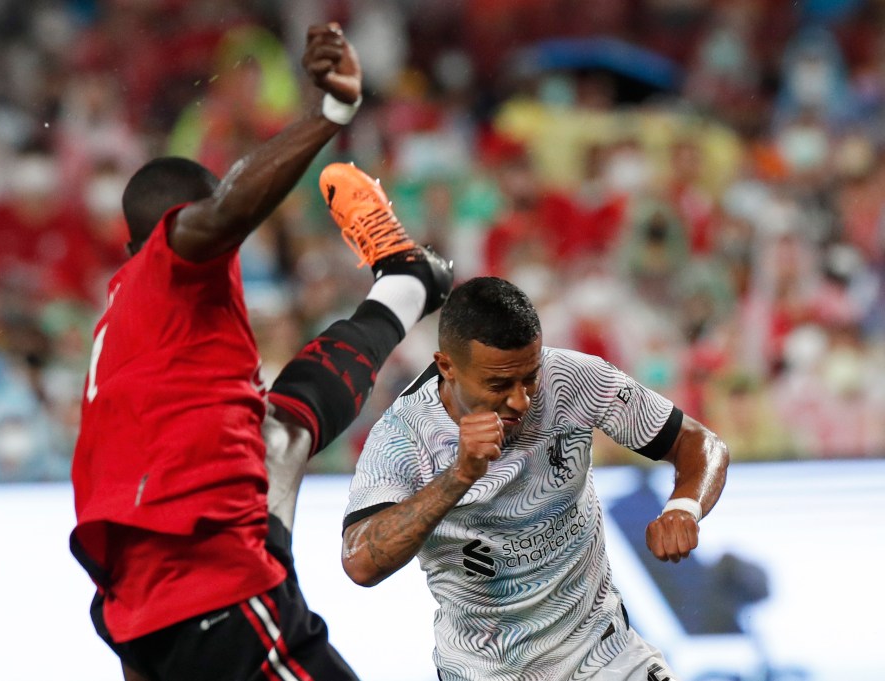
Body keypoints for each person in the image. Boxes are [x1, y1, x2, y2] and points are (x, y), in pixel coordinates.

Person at [70, 22, 453, 681]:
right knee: (279, 427)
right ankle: (409, 283)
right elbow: (218, 216)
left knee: (281, 424)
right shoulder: (173, 268)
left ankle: (408, 281)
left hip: (144, 617)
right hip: (217, 591)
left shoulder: (128, 337)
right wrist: (327, 115)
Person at [341, 276, 730, 681]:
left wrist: (684, 508)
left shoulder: (572, 378)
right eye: (498, 384)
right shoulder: (403, 436)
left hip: (605, 656)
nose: (520, 400)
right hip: (486, 670)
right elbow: (360, 563)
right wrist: (458, 476)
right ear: (447, 367)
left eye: (529, 376)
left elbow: (700, 443)